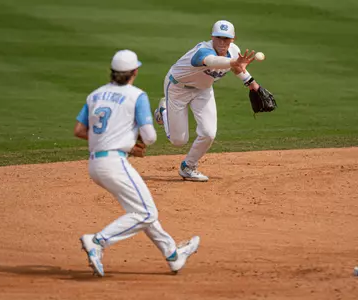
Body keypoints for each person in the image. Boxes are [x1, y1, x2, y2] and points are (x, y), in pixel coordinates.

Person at [74, 49, 200, 277]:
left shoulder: (95, 95)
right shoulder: (136, 96)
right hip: (114, 164)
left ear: (112, 73)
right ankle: (98, 241)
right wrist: (136, 141)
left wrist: (128, 145)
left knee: (139, 209)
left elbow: (80, 130)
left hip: (95, 164)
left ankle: (173, 255)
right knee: (147, 213)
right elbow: (150, 137)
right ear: (135, 72)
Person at [154, 20, 261, 182]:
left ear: (233, 39)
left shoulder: (234, 51)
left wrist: (253, 84)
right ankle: (164, 111)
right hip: (177, 89)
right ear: (212, 37)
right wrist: (234, 62)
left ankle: (188, 167)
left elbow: (237, 67)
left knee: (209, 133)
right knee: (178, 141)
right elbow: (211, 61)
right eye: (218, 37)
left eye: (226, 38)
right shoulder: (203, 51)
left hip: (203, 90)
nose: (222, 42)